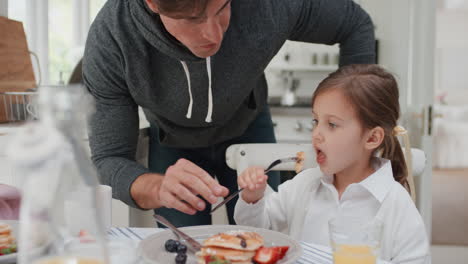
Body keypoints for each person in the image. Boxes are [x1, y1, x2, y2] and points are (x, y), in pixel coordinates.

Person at [83, 0, 376, 227]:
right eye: (192, 19)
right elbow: (110, 159)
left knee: (265, 236)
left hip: (248, 124)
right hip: (172, 144)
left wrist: (352, 121)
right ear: (152, 4)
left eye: (222, 8)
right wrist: (157, 187)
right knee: (179, 247)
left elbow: (355, 24)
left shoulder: (268, 6)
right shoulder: (111, 38)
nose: (212, 35)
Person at [234, 64, 430, 263]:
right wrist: (253, 198)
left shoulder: (396, 204)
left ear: (372, 138)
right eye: (315, 121)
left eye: (332, 125)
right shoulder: (305, 184)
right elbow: (259, 231)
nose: (316, 133)